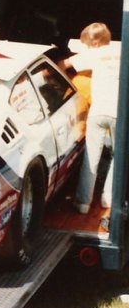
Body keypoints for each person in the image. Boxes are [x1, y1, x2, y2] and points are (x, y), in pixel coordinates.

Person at [63, 23, 120, 214]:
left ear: (95, 42)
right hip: (120, 114)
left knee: (91, 157)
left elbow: (64, 65)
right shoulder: (122, 50)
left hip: (98, 112)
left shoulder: (94, 54)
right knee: (117, 157)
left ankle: (83, 203)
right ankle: (108, 199)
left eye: (87, 43)